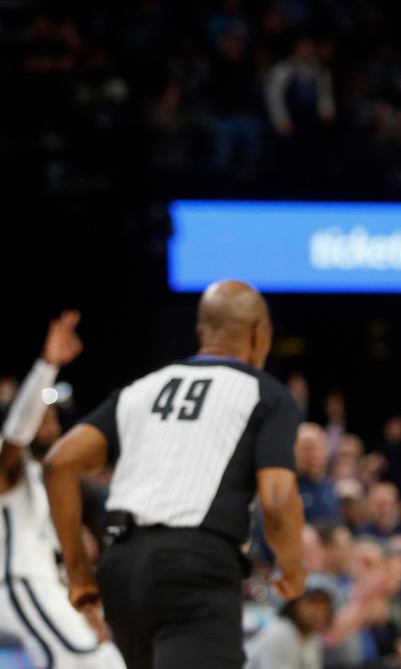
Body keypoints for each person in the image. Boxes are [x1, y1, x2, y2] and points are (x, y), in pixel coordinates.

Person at [43, 280, 307, 669]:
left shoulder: (142, 389)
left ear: (201, 333)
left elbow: (59, 463)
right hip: (195, 568)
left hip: (121, 569)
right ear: (260, 335)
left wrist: (80, 572)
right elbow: (278, 497)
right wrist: (294, 568)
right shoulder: (267, 394)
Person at [0, 312, 125, 668]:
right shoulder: (8, 467)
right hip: (16, 583)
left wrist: (87, 613)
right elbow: (16, 432)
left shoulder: (44, 479)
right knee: (79, 661)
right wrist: (47, 366)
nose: (52, 422)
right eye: (44, 414)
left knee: (108, 659)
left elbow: (58, 559)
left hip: (44, 585)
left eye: (54, 416)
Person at [245, 575, 338, 669]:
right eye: (313, 602)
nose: (319, 611)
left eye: (324, 605)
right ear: (293, 604)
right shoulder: (281, 633)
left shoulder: (313, 638)